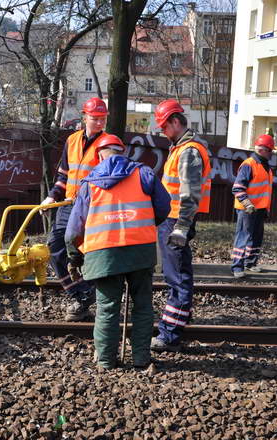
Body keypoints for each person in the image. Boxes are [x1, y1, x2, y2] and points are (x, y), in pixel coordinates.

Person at [64, 134, 171, 369]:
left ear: (100, 155)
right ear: (122, 152)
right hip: (140, 250)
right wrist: (145, 224)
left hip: (103, 253)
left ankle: (105, 362)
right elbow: (164, 206)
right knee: (142, 305)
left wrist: (75, 257)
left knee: (107, 308)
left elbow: (72, 231)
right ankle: (141, 359)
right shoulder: (144, 174)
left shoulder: (89, 183)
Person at [41, 97, 110, 321]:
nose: (99, 123)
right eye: (95, 118)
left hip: (93, 208)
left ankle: (87, 296)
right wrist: (51, 197)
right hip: (69, 205)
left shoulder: (109, 144)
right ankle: (81, 294)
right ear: (84, 117)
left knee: (87, 253)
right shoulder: (71, 141)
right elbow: (64, 175)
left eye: (102, 119)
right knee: (55, 248)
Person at [151, 99, 212, 353]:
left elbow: (190, 194)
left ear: (176, 121)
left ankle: (171, 333)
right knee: (176, 275)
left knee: (177, 278)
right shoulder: (180, 148)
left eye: (164, 126)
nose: (163, 131)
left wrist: (181, 228)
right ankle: (178, 320)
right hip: (173, 220)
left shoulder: (188, 151)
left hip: (177, 222)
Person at [231, 134, 275, 278]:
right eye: (270, 151)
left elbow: (264, 191)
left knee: (256, 237)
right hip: (247, 209)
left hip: (259, 209)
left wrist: (265, 209)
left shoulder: (265, 166)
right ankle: (237, 267)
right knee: (243, 236)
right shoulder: (249, 165)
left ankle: (250, 263)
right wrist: (247, 204)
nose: (272, 154)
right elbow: (237, 188)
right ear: (262, 150)